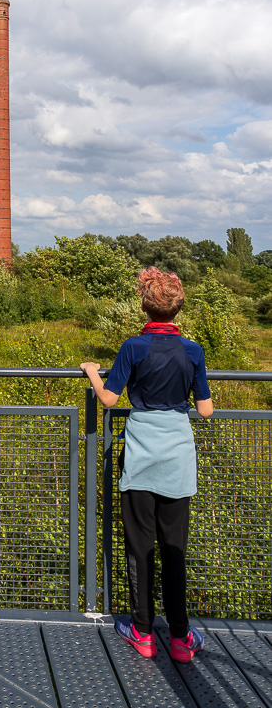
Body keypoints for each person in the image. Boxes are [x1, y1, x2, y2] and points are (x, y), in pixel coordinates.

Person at [80, 266, 214, 663]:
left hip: (140, 455)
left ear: (144, 305)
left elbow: (108, 400)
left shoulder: (133, 347)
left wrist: (91, 372)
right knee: (174, 547)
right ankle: (179, 638)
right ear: (178, 308)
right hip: (177, 458)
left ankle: (141, 632)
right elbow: (204, 411)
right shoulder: (193, 351)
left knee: (139, 546)